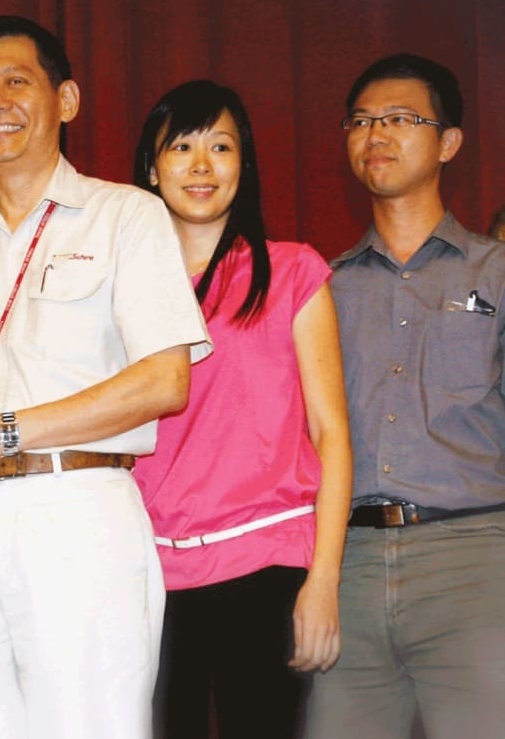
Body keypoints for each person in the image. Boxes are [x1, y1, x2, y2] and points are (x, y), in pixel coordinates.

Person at [0, 15, 212, 739]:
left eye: (16, 81)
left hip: (79, 514)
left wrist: (6, 430)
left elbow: (163, 381)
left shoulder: (127, 217)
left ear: (67, 100)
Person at [132, 80, 352, 738]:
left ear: (244, 164)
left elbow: (331, 432)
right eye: (182, 147)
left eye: (220, 146)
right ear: (151, 167)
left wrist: (322, 582)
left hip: (264, 563)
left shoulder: (291, 272)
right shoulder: (119, 284)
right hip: (146, 570)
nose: (201, 166)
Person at [305, 54, 505, 739]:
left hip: (474, 557)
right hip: (344, 566)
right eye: (360, 121)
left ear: (448, 142)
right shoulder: (318, 288)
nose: (375, 134)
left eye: (399, 119)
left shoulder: (496, 272)